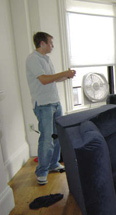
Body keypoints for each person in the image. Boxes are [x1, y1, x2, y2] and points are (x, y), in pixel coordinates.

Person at [26, 32, 76, 185]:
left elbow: (53, 79)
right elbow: (44, 80)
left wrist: (66, 76)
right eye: (50, 43)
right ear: (42, 43)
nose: (52, 46)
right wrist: (63, 73)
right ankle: (41, 172)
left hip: (55, 102)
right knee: (47, 139)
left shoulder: (46, 59)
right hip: (43, 105)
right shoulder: (33, 59)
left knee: (57, 135)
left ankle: (54, 163)